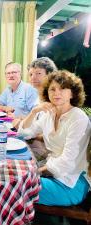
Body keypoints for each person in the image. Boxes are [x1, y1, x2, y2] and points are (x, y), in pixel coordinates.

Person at [18, 70, 91, 206]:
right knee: (14, 176)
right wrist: (34, 112)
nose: (57, 93)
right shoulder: (49, 114)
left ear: (72, 93)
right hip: (51, 172)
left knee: (16, 186)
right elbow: (24, 133)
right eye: (52, 89)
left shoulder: (78, 118)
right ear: (47, 93)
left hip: (71, 182)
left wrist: (37, 172)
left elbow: (68, 162)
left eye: (63, 88)